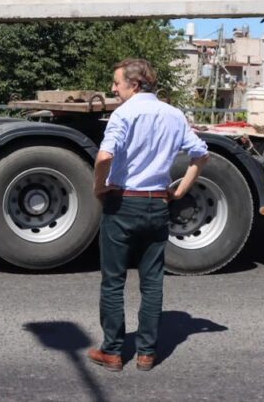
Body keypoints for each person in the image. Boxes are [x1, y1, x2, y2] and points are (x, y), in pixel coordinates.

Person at [87, 59, 209, 372]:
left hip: (123, 202)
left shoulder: (122, 114)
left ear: (135, 84)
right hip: (157, 204)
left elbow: (104, 156)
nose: (113, 89)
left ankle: (113, 351)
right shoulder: (174, 114)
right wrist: (181, 189)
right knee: (152, 281)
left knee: (113, 281)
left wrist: (99, 187)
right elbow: (201, 154)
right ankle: (146, 353)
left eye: (117, 83)